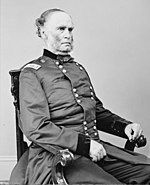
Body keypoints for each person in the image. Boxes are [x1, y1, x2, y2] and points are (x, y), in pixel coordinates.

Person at [19, 8, 150, 184]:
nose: (67, 35)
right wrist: (85, 145)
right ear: (43, 32)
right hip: (57, 156)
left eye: (70, 29)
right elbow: (36, 128)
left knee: (147, 170)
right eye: (61, 29)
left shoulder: (78, 69)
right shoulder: (32, 73)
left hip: (96, 150)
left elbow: (96, 111)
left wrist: (124, 127)